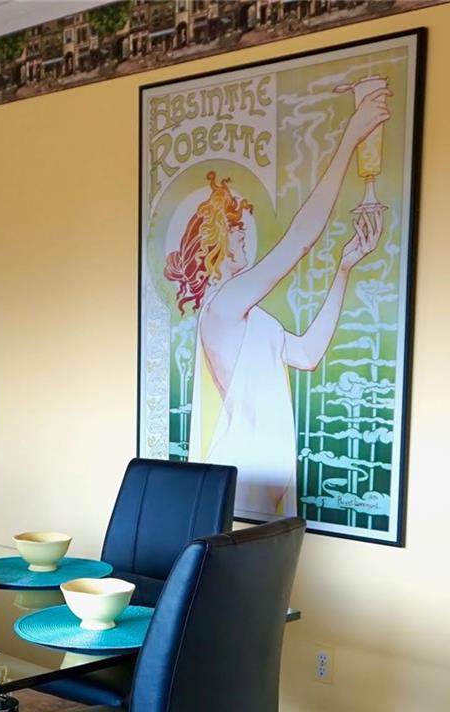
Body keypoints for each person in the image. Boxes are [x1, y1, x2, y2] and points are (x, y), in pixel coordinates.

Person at [165, 85, 390, 516]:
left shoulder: (249, 313)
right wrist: (349, 140)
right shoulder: (224, 304)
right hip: (244, 471)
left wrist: (343, 268)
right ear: (213, 236)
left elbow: (306, 354)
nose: (245, 232)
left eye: (246, 223)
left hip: (269, 475)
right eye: (235, 227)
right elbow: (300, 241)